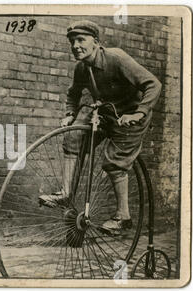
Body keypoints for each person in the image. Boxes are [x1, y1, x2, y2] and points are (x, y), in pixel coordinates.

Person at [39, 20, 162, 235]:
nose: (75, 46)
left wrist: (139, 112)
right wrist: (70, 114)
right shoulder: (82, 68)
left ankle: (123, 217)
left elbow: (153, 84)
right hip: (105, 113)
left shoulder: (116, 58)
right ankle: (66, 193)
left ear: (95, 42)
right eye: (72, 41)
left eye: (81, 40)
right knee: (74, 137)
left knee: (114, 162)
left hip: (129, 117)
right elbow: (73, 94)